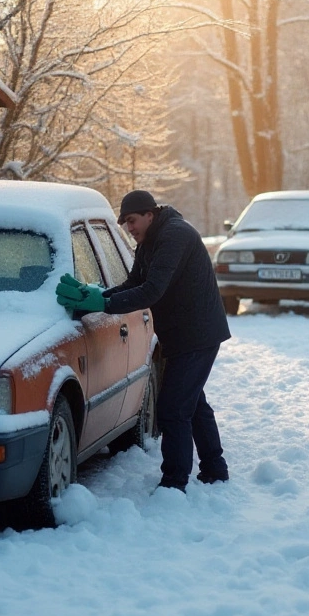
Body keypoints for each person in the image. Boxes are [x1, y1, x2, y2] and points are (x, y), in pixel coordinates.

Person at [56, 190, 231, 492]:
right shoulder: (149, 241)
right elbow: (134, 283)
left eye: (133, 221)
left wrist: (104, 306)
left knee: (173, 408)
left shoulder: (174, 236)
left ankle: (175, 482)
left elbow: (152, 291)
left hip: (198, 334)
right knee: (192, 402)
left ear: (150, 214)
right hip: (182, 335)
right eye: (126, 224)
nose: (130, 228)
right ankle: (215, 468)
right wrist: (96, 295)